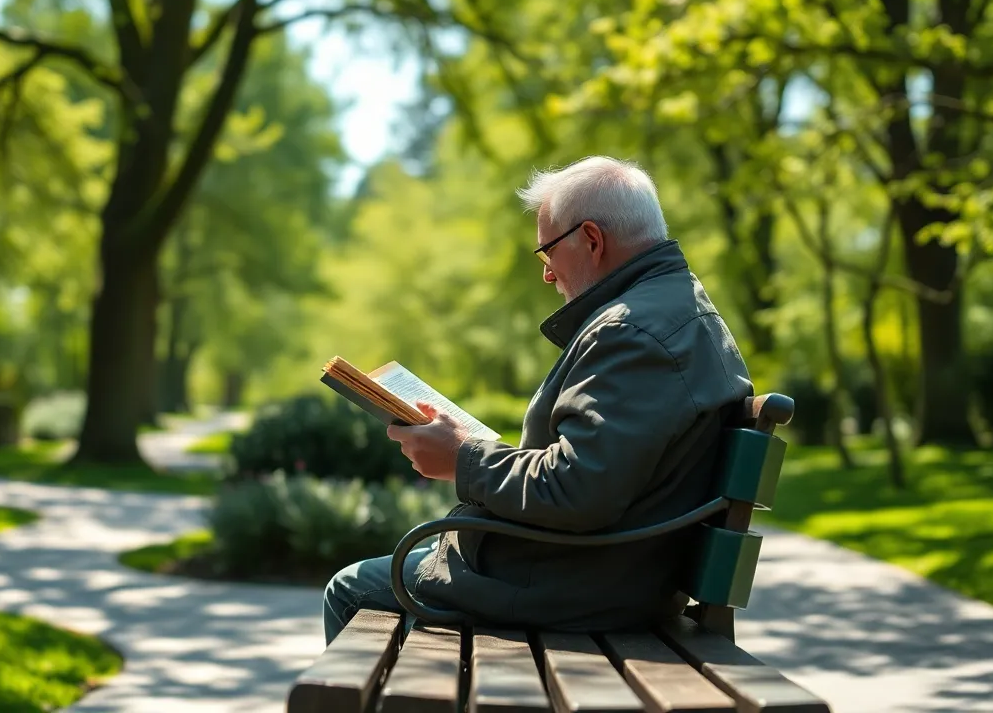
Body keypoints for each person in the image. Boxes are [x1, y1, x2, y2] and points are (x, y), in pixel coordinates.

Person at [321, 155, 753, 645]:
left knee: (350, 589)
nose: (547, 275)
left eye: (547, 252)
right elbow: (596, 473)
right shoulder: (676, 309)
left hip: (573, 587)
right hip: (605, 574)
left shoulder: (632, 333)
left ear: (591, 239)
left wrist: (462, 456)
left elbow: (576, 490)